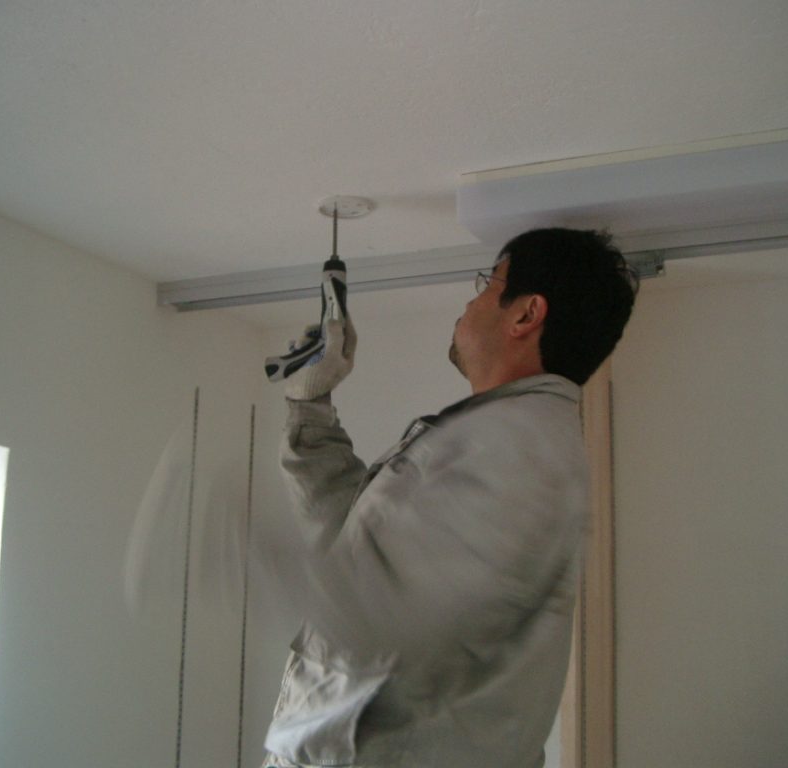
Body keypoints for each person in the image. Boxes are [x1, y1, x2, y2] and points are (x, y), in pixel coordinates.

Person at [262, 228, 638, 768]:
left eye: (489, 284)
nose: (471, 301)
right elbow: (352, 545)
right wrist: (309, 404)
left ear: (526, 314)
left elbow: (394, 621)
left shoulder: (516, 449)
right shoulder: (502, 436)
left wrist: (254, 553)